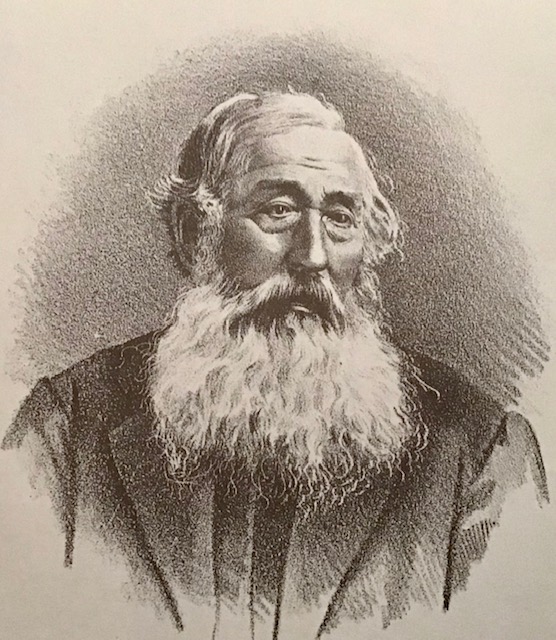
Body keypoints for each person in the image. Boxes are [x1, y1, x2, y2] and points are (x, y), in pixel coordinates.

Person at [2, 92, 548, 639]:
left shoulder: (481, 453)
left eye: (339, 219)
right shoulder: (65, 427)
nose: (313, 256)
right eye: (278, 211)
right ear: (195, 232)